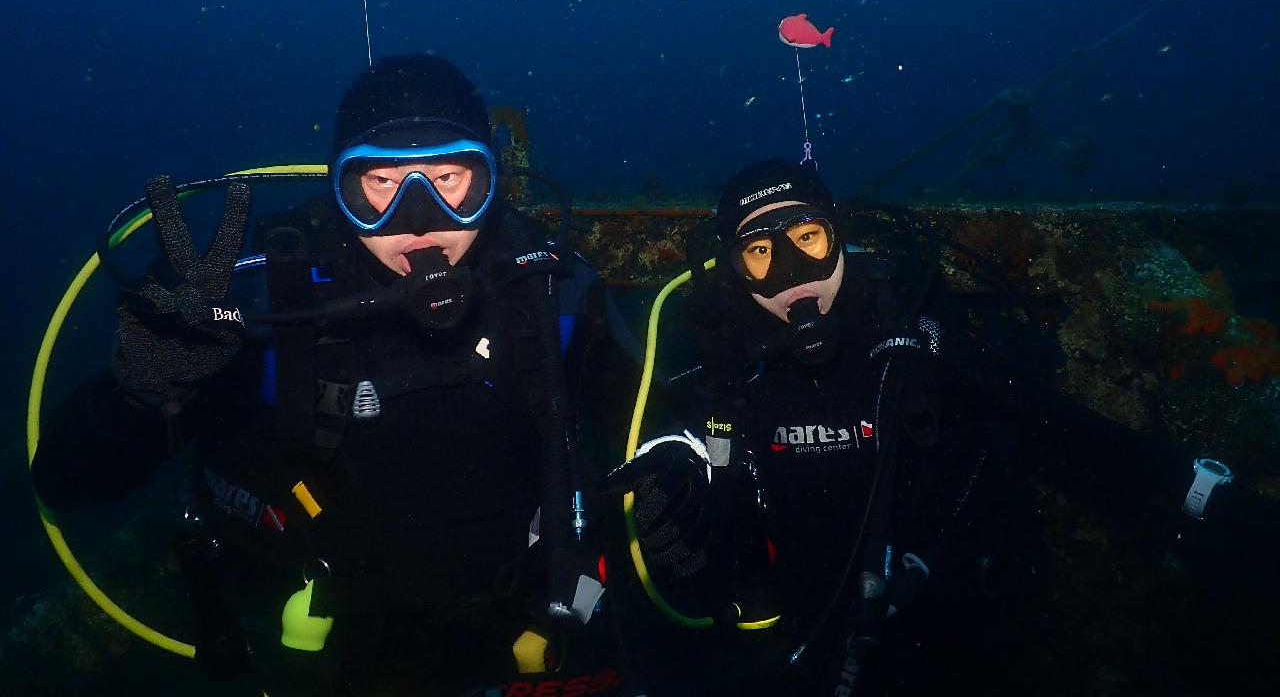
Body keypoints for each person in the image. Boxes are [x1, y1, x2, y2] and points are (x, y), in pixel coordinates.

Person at [32, 54, 636, 697]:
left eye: (450, 177)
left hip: (522, 638)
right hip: (325, 658)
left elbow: (657, 433)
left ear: (491, 180)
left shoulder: (550, 293)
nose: (417, 217)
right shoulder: (267, 307)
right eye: (380, 182)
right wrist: (139, 394)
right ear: (338, 186)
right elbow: (66, 485)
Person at [607, 158, 992, 696]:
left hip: (923, 625)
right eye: (760, 252)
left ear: (838, 238)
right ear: (733, 268)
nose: (792, 272)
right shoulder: (714, 360)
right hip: (781, 633)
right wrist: (682, 493)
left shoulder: (909, 331)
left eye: (807, 237)